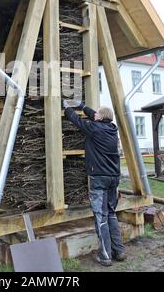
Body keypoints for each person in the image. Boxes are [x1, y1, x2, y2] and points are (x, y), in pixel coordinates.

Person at [63, 99, 126, 267]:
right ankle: (119, 251)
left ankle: (105, 256)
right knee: (111, 213)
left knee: (101, 216)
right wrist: (82, 105)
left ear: (100, 117)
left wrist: (67, 108)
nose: (94, 114)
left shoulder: (94, 130)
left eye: (97, 113)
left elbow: (77, 121)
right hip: (114, 178)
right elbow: (94, 116)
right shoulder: (112, 129)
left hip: (99, 179)